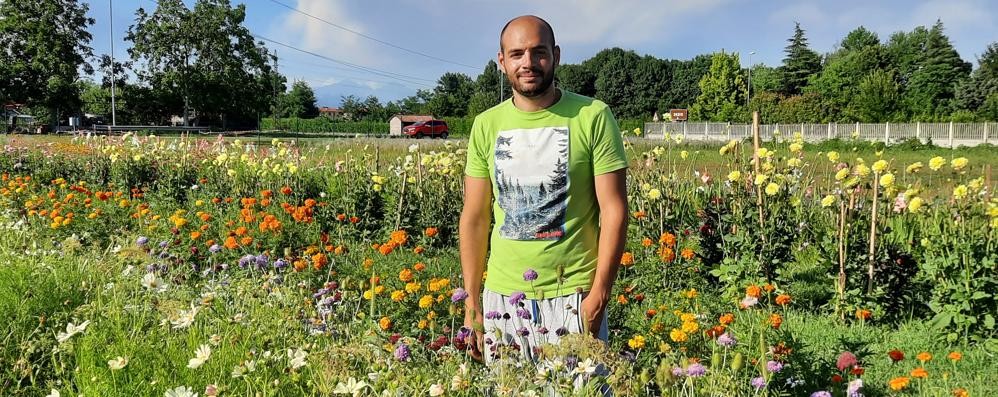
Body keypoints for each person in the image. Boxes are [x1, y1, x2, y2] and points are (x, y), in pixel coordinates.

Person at [460, 15, 628, 365]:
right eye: (517, 53)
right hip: (503, 300)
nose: (528, 63)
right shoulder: (486, 125)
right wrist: (472, 301)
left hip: (572, 296)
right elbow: (475, 218)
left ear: (556, 55)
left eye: (539, 52)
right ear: (502, 61)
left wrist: (599, 296)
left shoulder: (593, 116)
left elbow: (614, 211)